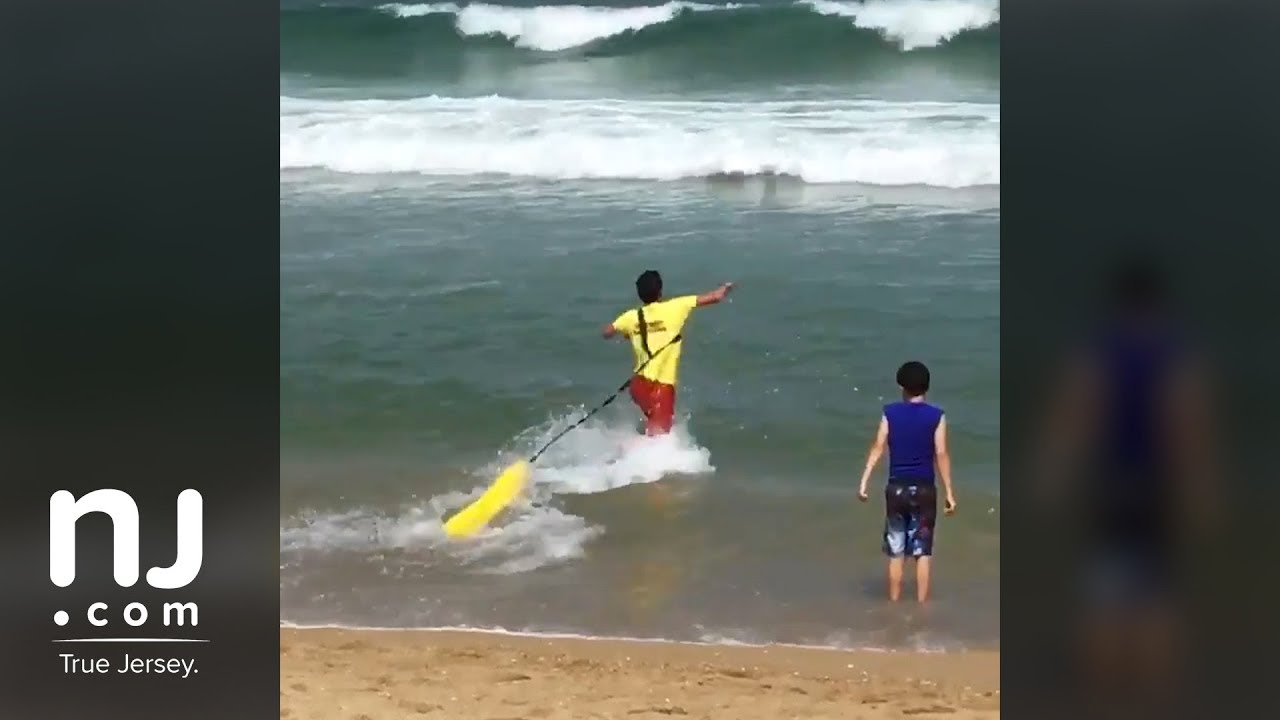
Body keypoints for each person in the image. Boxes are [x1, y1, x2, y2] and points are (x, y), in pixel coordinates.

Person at [857, 361, 957, 602]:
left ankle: (894, 602)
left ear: (901, 385)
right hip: (924, 489)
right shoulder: (936, 416)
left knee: (896, 549)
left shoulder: (890, 413)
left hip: (896, 488)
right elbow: (941, 453)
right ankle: (922, 605)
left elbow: (878, 446)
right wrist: (949, 492)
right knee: (922, 551)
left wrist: (864, 481)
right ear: (927, 387)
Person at [602, 270, 734, 436]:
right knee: (660, 436)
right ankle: (639, 457)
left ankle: (634, 450)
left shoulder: (632, 317)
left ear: (639, 294)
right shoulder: (677, 306)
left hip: (638, 386)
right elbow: (715, 297)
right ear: (660, 291)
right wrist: (726, 287)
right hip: (661, 388)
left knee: (653, 425)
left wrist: (630, 332)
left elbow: (607, 332)